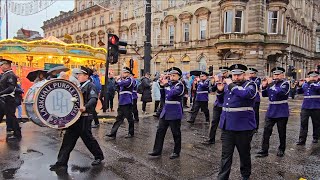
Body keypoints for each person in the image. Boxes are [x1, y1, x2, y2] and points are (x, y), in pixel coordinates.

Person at [49, 66, 104, 171]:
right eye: (78, 74)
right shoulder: (80, 86)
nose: (78, 76)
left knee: (88, 139)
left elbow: (93, 99)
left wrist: (85, 107)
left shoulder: (90, 86)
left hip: (84, 117)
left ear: (86, 76)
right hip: (76, 118)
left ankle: (99, 156)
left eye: (81, 74)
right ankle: (61, 162)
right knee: (68, 139)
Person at [217, 64, 257, 180]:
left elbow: (245, 94)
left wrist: (230, 84)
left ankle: (245, 176)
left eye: (239, 75)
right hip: (227, 126)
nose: (236, 77)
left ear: (244, 74)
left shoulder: (250, 85)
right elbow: (222, 102)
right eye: (234, 75)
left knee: (244, 153)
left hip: (243, 127)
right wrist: (219, 92)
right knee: (226, 155)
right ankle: (222, 177)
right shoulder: (229, 86)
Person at [148, 67, 185, 159]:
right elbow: (163, 96)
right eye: (171, 75)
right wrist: (161, 86)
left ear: (179, 77)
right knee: (160, 131)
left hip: (174, 112)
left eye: (174, 75)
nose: (172, 77)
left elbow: (173, 94)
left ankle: (176, 152)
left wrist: (166, 85)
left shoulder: (180, 85)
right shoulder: (168, 84)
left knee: (175, 133)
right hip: (165, 111)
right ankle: (157, 150)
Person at [257, 67, 290, 158]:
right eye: (275, 74)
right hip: (271, 110)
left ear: (282, 75)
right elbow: (265, 95)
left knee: (281, 132)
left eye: (278, 74)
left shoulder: (285, 83)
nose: (276, 76)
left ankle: (281, 149)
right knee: (266, 131)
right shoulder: (272, 84)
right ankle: (264, 150)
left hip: (281, 111)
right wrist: (264, 86)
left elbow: (281, 93)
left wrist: (270, 84)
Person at [202, 67, 229, 145]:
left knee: (225, 122)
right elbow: (212, 90)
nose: (222, 74)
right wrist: (214, 83)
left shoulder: (230, 80)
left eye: (224, 72)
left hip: (226, 105)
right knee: (214, 122)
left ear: (227, 72)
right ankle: (211, 139)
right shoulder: (218, 79)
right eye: (221, 72)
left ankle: (225, 138)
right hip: (218, 104)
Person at [106, 67, 135, 139]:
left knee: (130, 118)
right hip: (122, 102)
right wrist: (117, 81)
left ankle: (131, 133)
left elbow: (121, 83)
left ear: (128, 73)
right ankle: (113, 133)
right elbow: (116, 86)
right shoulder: (123, 80)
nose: (122, 74)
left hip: (127, 102)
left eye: (124, 72)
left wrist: (118, 80)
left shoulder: (130, 80)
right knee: (118, 118)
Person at [296, 71, 320, 145]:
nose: (313, 78)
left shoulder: (318, 84)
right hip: (305, 106)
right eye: (311, 76)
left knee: (316, 123)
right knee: (303, 123)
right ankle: (302, 139)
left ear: (317, 77)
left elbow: (317, 89)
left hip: (316, 106)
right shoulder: (306, 84)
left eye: (314, 76)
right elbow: (299, 92)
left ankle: (316, 137)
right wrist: (299, 85)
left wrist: (309, 82)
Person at [0, 59, 22, 140]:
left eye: (2, 65)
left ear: (7, 65)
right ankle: (17, 133)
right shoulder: (5, 74)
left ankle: (17, 133)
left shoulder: (10, 75)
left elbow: (11, 88)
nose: (1, 66)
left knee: (11, 116)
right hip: (3, 99)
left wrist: (1, 93)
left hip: (8, 99)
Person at [247, 68, 261, 132]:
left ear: (255, 73)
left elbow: (256, 85)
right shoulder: (248, 79)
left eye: (252, 73)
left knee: (255, 114)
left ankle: (256, 127)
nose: (250, 74)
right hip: (249, 99)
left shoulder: (257, 79)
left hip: (256, 99)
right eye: (250, 73)